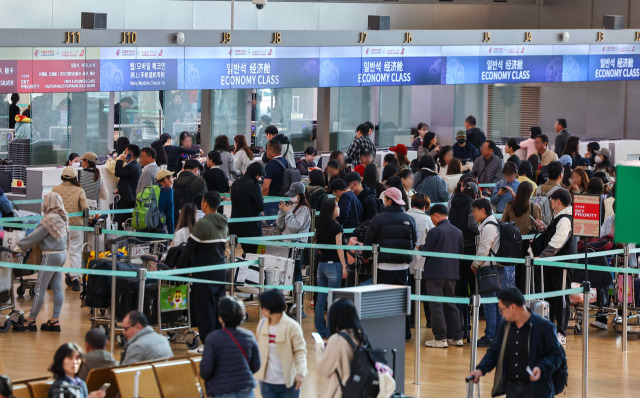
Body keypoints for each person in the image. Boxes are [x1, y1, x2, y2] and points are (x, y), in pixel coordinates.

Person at [469, 287, 565, 398]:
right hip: (512, 389)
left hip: (537, 390)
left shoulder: (544, 327)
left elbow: (556, 355)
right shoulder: (505, 326)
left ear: (513, 307)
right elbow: (495, 351)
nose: (501, 313)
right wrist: (480, 369)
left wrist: (541, 368)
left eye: (502, 309)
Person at [176, 192, 229, 351]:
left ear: (205, 203)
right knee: (218, 308)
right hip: (220, 270)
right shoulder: (224, 222)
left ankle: (207, 343)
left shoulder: (202, 224)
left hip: (204, 272)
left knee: (205, 309)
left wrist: (177, 269)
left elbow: (188, 250)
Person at [364, 187, 417, 340]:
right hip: (403, 267)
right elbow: (413, 242)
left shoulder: (378, 219)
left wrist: (365, 256)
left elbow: (369, 241)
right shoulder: (409, 219)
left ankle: (384, 331)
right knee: (403, 300)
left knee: (383, 300)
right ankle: (405, 333)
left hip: (383, 266)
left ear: (388, 200)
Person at [13, 193, 68, 332]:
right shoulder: (63, 217)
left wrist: (17, 247)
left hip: (50, 256)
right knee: (57, 288)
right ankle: (55, 321)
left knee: (39, 289)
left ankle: (30, 321)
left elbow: (33, 237)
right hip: (62, 255)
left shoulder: (49, 219)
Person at [533, 188, 576, 345]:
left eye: (552, 200)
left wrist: (543, 256)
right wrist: (545, 229)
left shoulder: (565, 219)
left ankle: (561, 332)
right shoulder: (559, 217)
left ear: (558, 201)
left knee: (561, 297)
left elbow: (559, 241)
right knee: (552, 296)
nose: (550, 202)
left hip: (561, 264)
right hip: (553, 263)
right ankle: (551, 329)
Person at [420, 204, 464, 348]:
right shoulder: (458, 232)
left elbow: (426, 251)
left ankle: (440, 338)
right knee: (451, 305)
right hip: (452, 273)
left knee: (436, 305)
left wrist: (420, 247)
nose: (432, 220)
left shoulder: (435, 231)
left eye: (432, 217)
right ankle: (457, 337)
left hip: (435, 274)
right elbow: (461, 252)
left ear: (436, 215)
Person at [200, 296, 260, 398]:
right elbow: (256, 365)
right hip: (245, 389)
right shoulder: (249, 336)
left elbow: (206, 370)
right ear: (242, 316)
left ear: (220, 317)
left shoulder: (212, 338)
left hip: (220, 390)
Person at [256, 289, 307, 398]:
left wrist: (300, 373)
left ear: (271, 307)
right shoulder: (261, 324)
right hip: (266, 382)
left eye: (263, 307)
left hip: (288, 383)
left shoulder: (292, 327)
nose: (261, 310)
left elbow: (300, 352)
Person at [314, 299, 369, 398]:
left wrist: (319, 347)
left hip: (340, 391)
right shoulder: (361, 335)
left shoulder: (337, 340)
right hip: (358, 388)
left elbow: (324, 368)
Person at [313, 198, 348, 337]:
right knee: (333, 300)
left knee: (320, 300)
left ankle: (321, 329)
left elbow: (316, 245)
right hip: (334, 266)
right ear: (331, 210)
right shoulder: (337, 227)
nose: (339, 209)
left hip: (321, 265)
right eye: (337, 206)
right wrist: (344, 266)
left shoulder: (320, 224)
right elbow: (339, 248)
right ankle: (331, 330)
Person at [470, 198, 502, 347]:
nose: (473, 214)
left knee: (490, 303)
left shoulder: (488, 226)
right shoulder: (492, 223)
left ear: (482, 210)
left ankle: (490, 336)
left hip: (489, 268)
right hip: (495, 268)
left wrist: (475, 264)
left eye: (474, 211)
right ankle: (496, 335)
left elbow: (483, 249)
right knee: (494, 303)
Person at [501, 181, 543, 293]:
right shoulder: (535, 207)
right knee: (526, 276)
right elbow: (539, 227)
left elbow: (503, 223)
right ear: (530, 194)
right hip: (527, 246)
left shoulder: (510, 205)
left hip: (512, 244)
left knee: (511, 276)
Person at [52, 167, 88, 292]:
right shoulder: (79, 190)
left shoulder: (55, 190)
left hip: (59, 225)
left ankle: (52, 280)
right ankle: (75, 279)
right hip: (76, 225)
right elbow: (85, 208)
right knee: (75, 252)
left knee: (57, 252)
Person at [277, 182, 311, 283]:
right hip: (287, 241)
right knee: (285, 270)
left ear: (300, 195)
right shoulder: (291, 206)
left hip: (297, 244)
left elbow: (295, 226)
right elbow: (280, 224)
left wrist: (288, 212)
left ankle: (298, 292)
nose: (291, 197)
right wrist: (282, 211)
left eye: (294, 195)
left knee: (296, 270)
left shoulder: (304, 209)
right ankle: (288, 291)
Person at [230, 163, 265, 255]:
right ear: (257, 174)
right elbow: (260, 207)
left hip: (236, 225)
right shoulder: (254, 185)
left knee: (244, 251)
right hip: (252, 226)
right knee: (255, 253)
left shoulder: (235, 183)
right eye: (260, 176)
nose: (259, 179)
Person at [114, 144, 142, 227]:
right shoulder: (133, 165)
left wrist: (120, 160)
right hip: (129, 197)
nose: (123, 154)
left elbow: (118, 172)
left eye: (125, 152)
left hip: (129, 198)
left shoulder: (132, 166)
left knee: (119, 220)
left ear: (131, 154)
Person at [173, 158, 207, 223]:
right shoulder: (200, 181)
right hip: (193, 217)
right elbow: (204, 198)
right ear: (196, 169)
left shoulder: (174, 182)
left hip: (177, 218)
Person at [263, 140, 288, 219]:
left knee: (272, 226)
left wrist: (264, 201)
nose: (266, 151)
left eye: (267, 149)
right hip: (284, 200)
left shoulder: (270, 165)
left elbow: (265, 187)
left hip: (272, 201)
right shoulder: (285, 161)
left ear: (272, 150)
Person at [153, 170, 175, 234]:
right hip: (158, 229)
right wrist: (171, 234)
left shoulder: (151, 189)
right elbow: (170, 215)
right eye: (171, 178)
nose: (173, 181)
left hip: (145, 228)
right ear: (166, 179)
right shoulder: (167, 191)